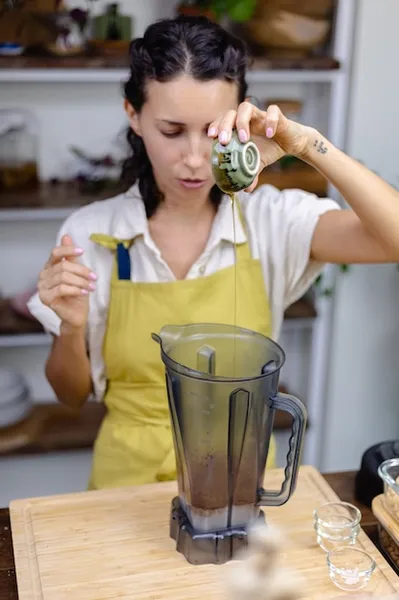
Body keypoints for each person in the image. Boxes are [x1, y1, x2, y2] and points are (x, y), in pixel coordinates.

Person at [28, 16, 399, 490]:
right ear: (133, 115)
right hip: (123, 493)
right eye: (172, 130)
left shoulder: (272, 223)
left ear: (240, 116)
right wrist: (71, 328)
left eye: (210, 130)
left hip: (240, 489)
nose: (194, 157)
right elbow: (70, 395)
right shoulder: (90, 233)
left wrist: (306, 146)